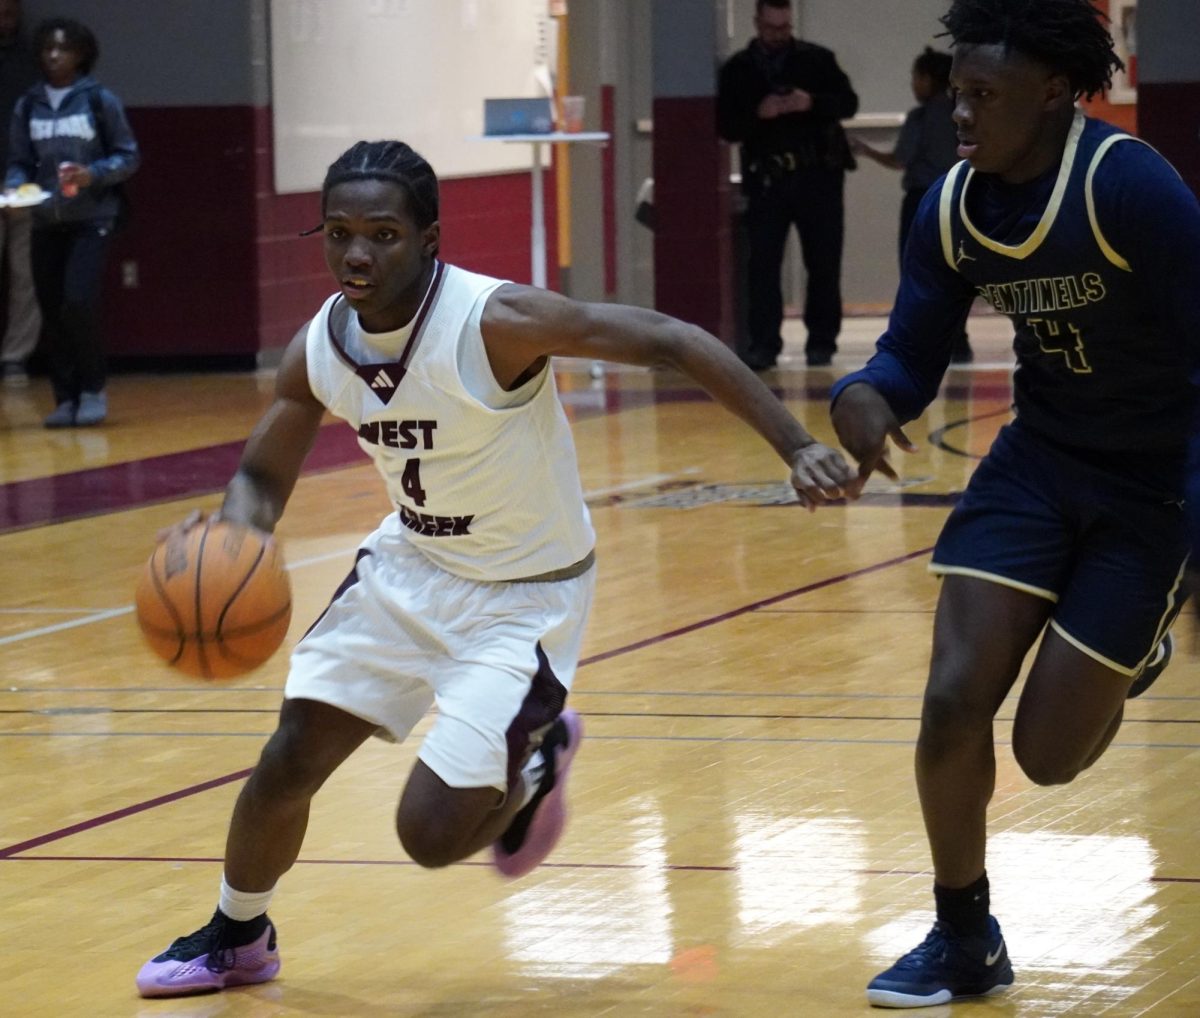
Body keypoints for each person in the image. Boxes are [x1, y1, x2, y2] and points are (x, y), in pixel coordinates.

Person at [134, 139, 858, 999]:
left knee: (431, 836)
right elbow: (261, 477)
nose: (356, 253)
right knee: (288, 759)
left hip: (524, 598)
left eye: (382, 234)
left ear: (429, 238)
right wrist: (235, 535)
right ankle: (238, 933)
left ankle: (538, 759)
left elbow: (671, 339)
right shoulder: (322, 345)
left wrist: (798, 443)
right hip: (408, 570)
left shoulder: (495, 321)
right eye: (337, 233)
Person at [829, 0, 1199, 1007]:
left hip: (1151, 482)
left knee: (1048, 756)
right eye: (958, 92)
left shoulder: (1130, 188)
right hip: (1037, 462)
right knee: (952, 697)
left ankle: (1142, 632)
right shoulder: (950, 205)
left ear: (1051, 93)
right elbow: (912, 350)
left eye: (983, 94)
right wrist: (863, 395)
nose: (961, 113)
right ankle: (963, 937)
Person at [4, 17, 138, 427]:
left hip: (91, 218)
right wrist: (14, 189)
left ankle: (92, 389)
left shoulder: (99, 101)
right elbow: (19, 162)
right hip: (45, 219)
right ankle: (65, 398)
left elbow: (128, 155)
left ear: (80, 54)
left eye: (62, 49)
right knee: (51, 307)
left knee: (77, 301)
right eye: (47, 49)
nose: (54, 56)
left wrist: (92, 174)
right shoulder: (29, 105)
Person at [717, 0, 858, 370]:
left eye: (783, 29)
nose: (778, 36)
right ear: (756, 24)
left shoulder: (816, 60)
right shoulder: (739, 70)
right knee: (763, 265)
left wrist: (810, 102)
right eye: (770, 29)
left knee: (824, 264)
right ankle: (764, 344)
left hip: (818, 178)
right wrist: (758, 114)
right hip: (767, 180)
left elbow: (848, 103)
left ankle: (822, 343)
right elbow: (726, 127)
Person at [849, 47, 972, 364]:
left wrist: (866, 150)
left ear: (928, 79)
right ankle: (959, 341)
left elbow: (899, 159)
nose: (913, 84)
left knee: (918, 272)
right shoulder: (964, 114)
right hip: (960, 200)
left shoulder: (920, 118)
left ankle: (923, 342)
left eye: (916, 77)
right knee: (957, 273)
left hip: (922, 201)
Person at [0, 0, 39, 387]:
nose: (4, 14)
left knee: (26, 275)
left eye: (10, 9)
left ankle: (15, 357)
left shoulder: (35, 59)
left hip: (25, 184)